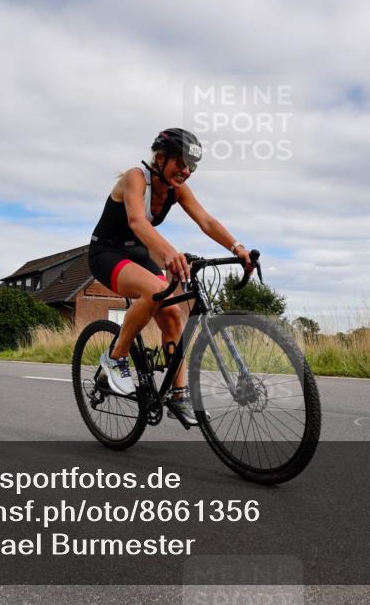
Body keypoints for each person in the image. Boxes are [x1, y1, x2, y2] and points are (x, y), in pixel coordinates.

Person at [88, 128, 252, 424]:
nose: (186, 171)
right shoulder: (135, 177)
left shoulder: (176, 188)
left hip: (138, 254)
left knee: (174, 314)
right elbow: (137, 221)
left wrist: (236, 246)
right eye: (180, 162)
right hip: (107, 253)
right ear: (160, 159)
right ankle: (114, 358)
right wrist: (168, 253)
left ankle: (179, 396)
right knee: (154, 291)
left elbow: (205, 220)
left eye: (192, 166)